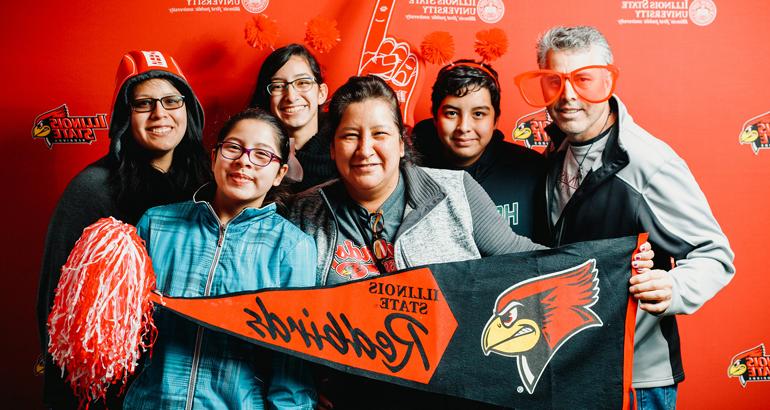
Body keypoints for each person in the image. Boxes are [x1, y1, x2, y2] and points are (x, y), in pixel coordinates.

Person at [289, 75, 655, 408]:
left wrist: (617, 266)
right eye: (350, 135)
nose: (365, 148)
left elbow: (527, 260)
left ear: (402, 143)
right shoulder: (304, 212)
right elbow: (279, 305)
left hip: (450, 394)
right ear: (333, 147)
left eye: (380, 134)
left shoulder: (456, 192)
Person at [514, 26, 735, 409]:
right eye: (555, 81)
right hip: (571, 364)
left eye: (583, 80)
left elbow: (714, 255)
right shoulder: (560, 146)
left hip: (634, 379)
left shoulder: (648, 164)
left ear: (607, 80)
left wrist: (674, 288)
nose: (568, 96)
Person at [36, 50, 212, 409]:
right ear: (123, 118)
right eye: (143, 103)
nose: (160, 113)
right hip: (114, 385)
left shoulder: (209, 184)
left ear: (188, 109)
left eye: (171, 100)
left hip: (186, 376)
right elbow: (54, 305)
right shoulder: (93, 188)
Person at [123, 108, 317, 409]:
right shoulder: (155, 225)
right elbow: (122, 333)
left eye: (262, 155)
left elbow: (291, 373)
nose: (244, 161)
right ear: (214, 156)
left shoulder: (292, 248)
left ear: (279, 173)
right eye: (233, 148)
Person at [412, 59, 546, 238]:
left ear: (495, 119)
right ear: (436, 118)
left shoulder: (532, 170)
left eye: (478, 114)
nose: (464, 127)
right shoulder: (411, 173)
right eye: (451, 113)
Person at [250, 43, 337, 192]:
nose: (291, 96)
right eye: (278, 86)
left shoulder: (344, 149)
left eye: (303, 83)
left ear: (321, 93)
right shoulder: (252, 156)